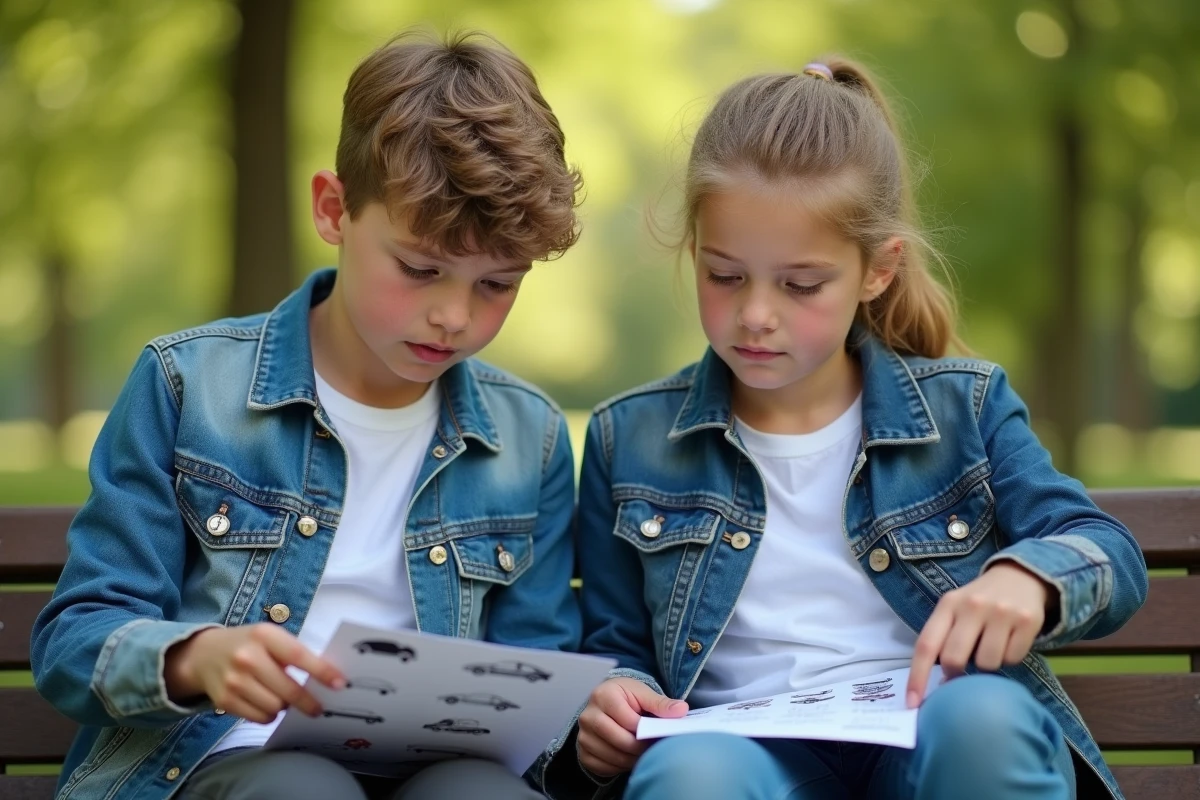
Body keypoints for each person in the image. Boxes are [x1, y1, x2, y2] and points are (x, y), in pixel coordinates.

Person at [535, 59, 1147, 800]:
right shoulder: (625, 439)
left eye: (800, 285)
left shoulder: (966, 407)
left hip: (930, 738)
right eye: (725, 275)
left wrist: (1030, 579)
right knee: (686, 775)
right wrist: (611, 699)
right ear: (695, 248)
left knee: (984, 719)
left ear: (878, 271)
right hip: (742, 753)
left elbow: (1107, 551)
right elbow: (616, 644)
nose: (757, 313)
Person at [32, 30, 583, 800]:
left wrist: (587, 719)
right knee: (302, 787)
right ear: (334, 209)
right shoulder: (188, 385)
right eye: (420, 268)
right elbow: (74, 639)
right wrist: (195, 659)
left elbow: (537, 667)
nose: (453, 315)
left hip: (436, 774)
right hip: (214, 763)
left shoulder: (531, 438)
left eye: (497, 284)